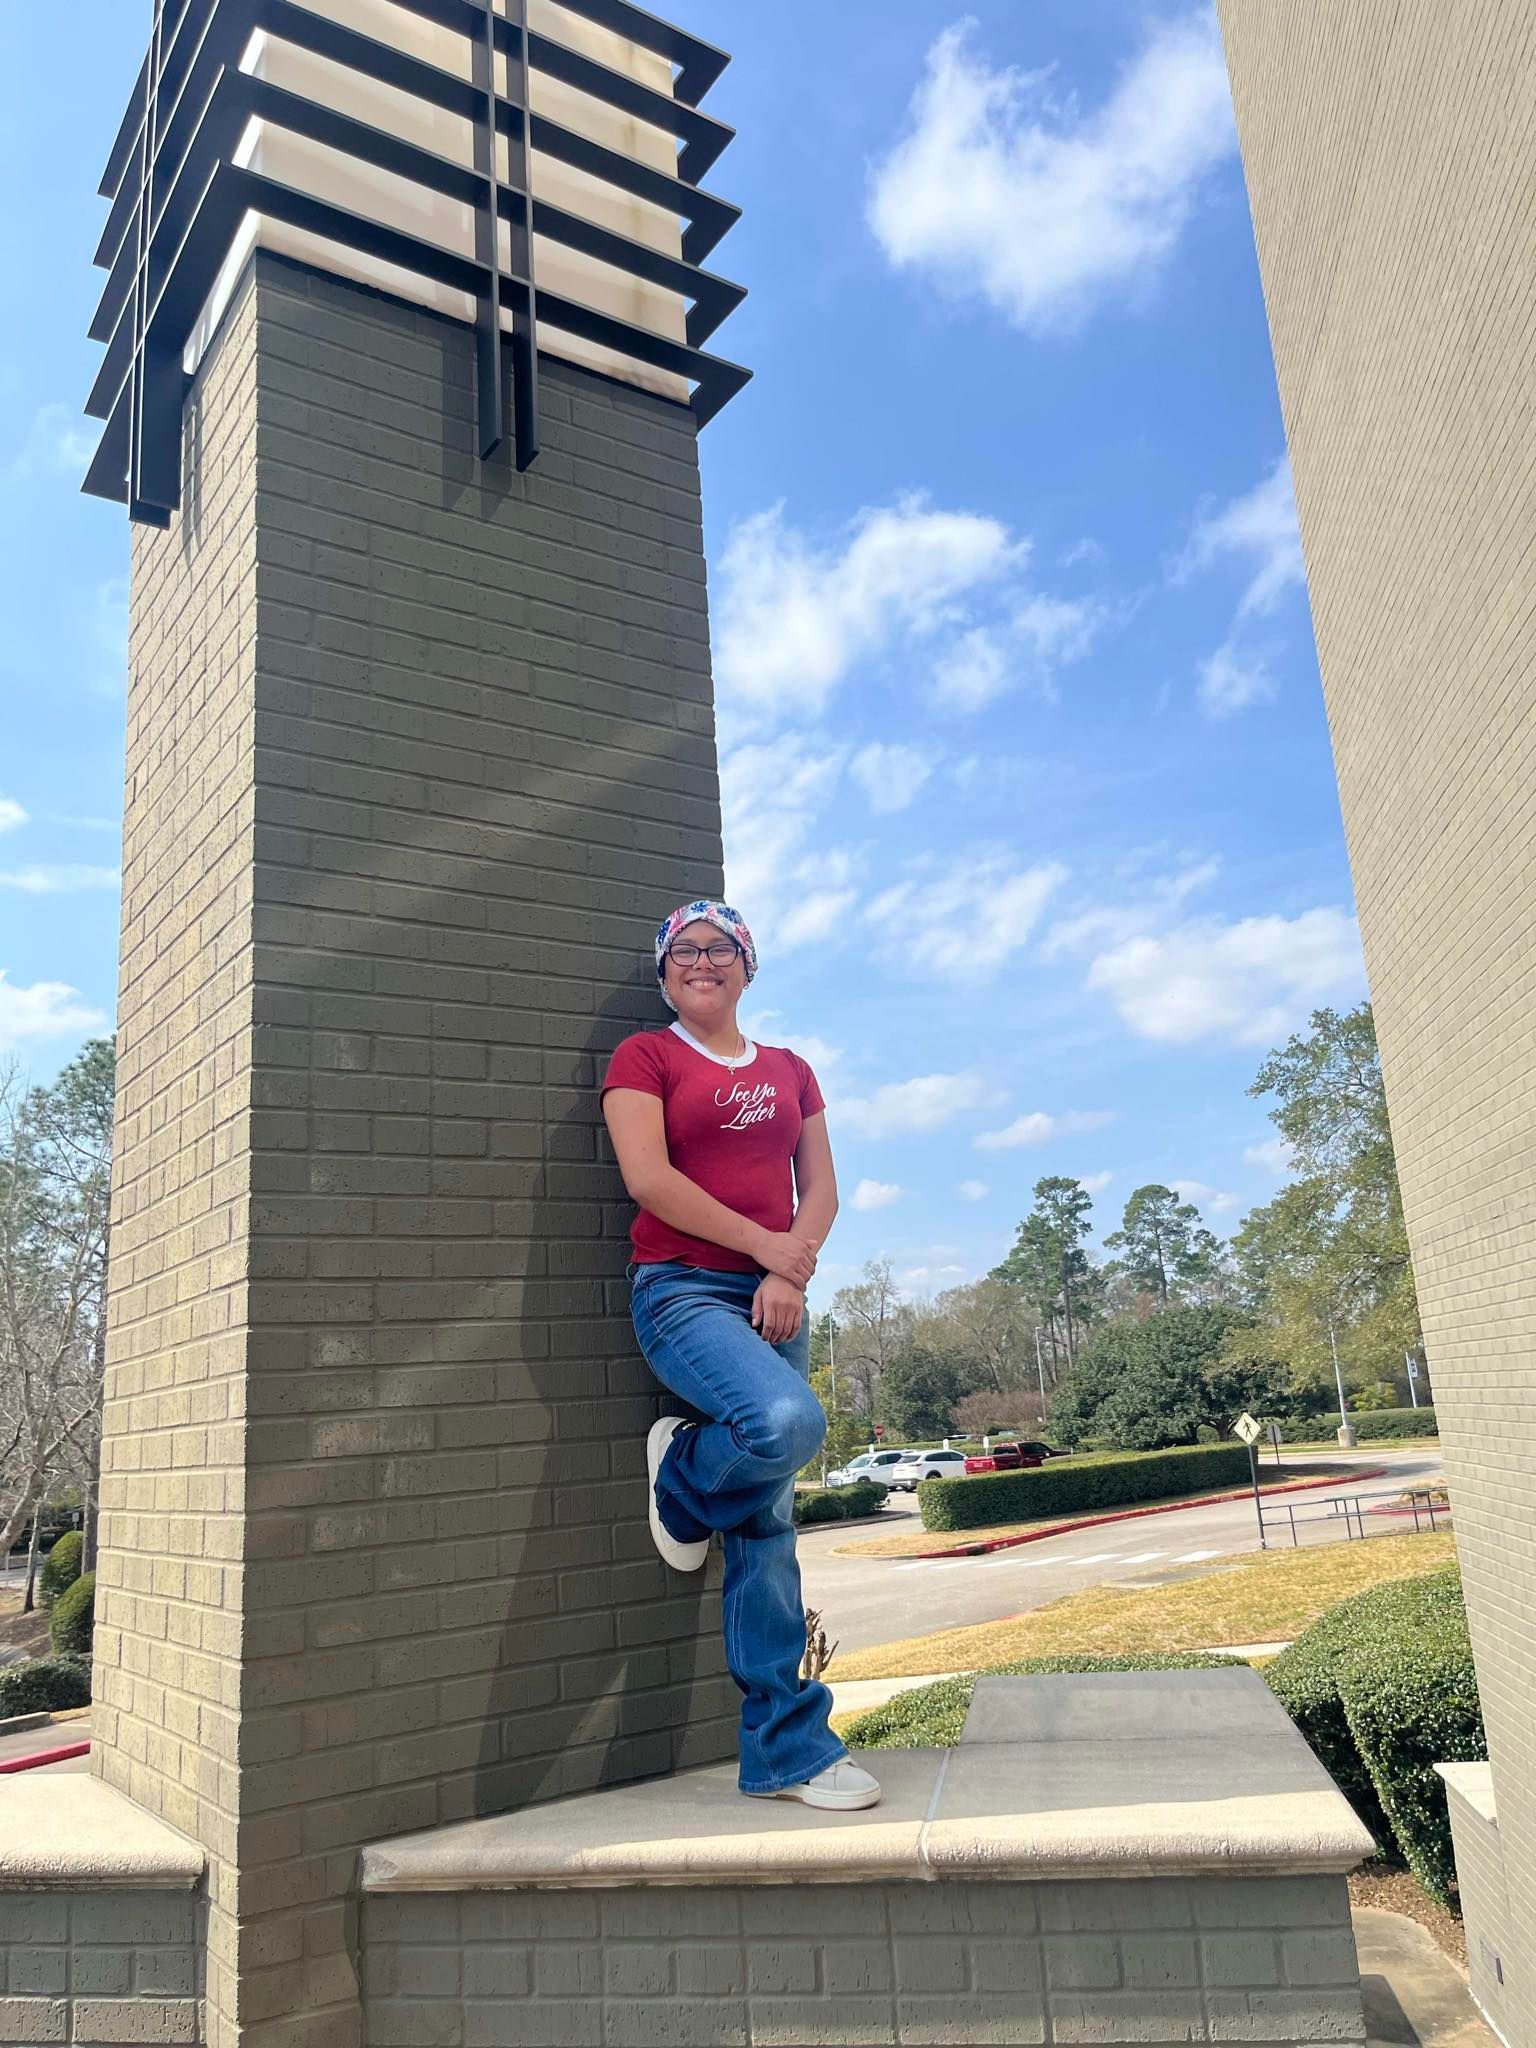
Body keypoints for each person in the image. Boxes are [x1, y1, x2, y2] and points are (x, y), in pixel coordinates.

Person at [600, 898, 881, 1812]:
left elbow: (822, 1188)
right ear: (664, 971)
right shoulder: (646, 1056)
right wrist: (765, 1251)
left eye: (722, 948)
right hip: (680, 1290)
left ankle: (785, 1751)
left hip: (775, 1300)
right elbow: (649, 1180)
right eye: (683, 950)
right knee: (787, 1423)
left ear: (748, 966)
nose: (702, 961)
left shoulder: (792, 1070)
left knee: (769, 1528)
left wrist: (790, 1274)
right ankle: (684, 1471)